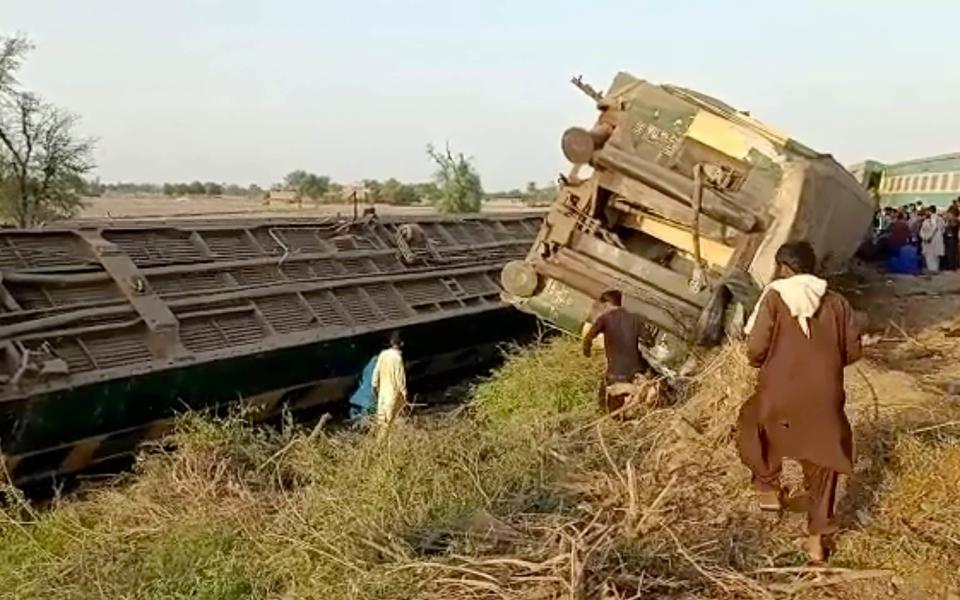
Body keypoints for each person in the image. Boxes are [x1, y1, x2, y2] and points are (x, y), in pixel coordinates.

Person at [737, 241, 862, 563]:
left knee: (753, 424)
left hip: (778, 393)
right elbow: (852, 352)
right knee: (824, 459)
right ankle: (818, 539)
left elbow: (755, 350)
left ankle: (767, 487)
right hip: (824, 397)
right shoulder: (838, 302)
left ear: (784, 267)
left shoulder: (775, 297)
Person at [581, 289, 647, 413]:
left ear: (607, 304)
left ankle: (619, 413)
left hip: (617, 372)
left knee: (607, 402)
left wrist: (586, 351)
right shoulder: (634, 317)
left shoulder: (605, 319)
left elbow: (588, 338)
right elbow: (649, 340)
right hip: (637, 368)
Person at [372, 331, 407, 432]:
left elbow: (376, 372)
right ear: (402, 344)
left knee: (381, 422)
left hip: (382, 393)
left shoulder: (383, 354)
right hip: (393, 394)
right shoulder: (397, 358)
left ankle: (379, 444)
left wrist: (374, 386)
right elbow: (400, 378)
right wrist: (404, 393)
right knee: (391, 422)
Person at [348, 354, 379, 423]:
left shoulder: (365, 361)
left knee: (355, 425)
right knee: (365, 425)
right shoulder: (379, 364)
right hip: (368, 402)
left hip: (356, 399)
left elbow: (357, 377)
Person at [919, 206, 945, 274]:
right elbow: (943, 229)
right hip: (933, 239)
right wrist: (924, 237)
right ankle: (934, 269)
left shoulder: (934, 218)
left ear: (929, 211)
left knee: (932, 255)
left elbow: (934, 228)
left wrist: (928, 237)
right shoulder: (938, 219)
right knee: (933, 255)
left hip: (931, 239)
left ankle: (933, 269)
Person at [943, 205, 959, 271]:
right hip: (950, 238)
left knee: (951, 253)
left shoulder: (954, 220)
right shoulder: (954, 220)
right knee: (950, 252)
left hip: (952, 238)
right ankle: (951, 265)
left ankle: (951, 266)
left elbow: (952, 226)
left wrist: (948, 221)